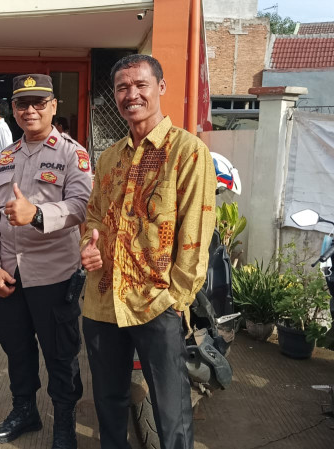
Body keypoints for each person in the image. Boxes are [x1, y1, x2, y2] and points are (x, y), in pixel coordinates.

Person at [80, 54, 217, 449]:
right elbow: (94, 216)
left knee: (171, 410)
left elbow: (195, 234)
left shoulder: (187, 152)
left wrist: (177, 299)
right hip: (103, 300)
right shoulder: (110, 157)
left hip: (156, 302)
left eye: (141, 85)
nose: (132, 94)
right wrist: (88, 246)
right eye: (122, 87)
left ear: (161, 87)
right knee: (108, 402)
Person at [0, 74, 92, 449]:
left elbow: (81, 206)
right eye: (22, 104)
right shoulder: (6, 157)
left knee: (61, 354)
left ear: (53, 106)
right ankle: (24, 410)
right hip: (9, 275)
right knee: (16, 348)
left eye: (39, 103)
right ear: (13, 109)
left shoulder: (72, 154)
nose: (30, 110)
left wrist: (38, 214)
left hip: (53, 275)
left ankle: (64, 422)